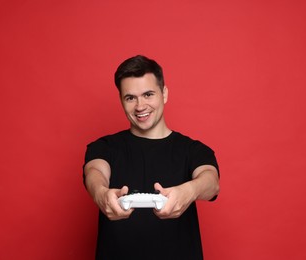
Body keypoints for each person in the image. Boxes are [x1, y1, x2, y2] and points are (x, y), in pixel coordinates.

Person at [83, 55, 220, 260]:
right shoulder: (104, 147)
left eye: (148, 94)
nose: (140, 106)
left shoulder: (193, 150)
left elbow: (211, 182)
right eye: (130, 98)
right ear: (121, 99)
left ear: (164, 94)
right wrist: (101, 193)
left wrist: (189, 190)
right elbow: (94, 172)